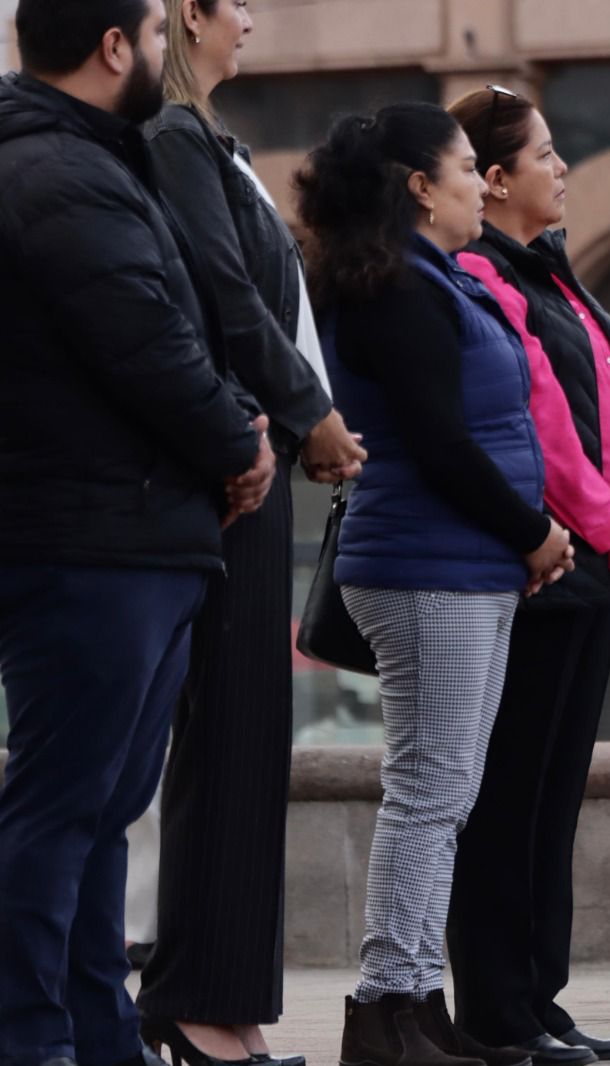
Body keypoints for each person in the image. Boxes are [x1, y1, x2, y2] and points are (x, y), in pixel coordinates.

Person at [0, 0, 273, 1062]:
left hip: (134, 528)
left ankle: (97, 1033)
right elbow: (146, 335)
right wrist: (237, 441)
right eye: (158, 35)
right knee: (61, 809)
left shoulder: (89, 159)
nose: (167, 55)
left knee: (101, 811)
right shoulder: (56, 172)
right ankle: (33, 1039)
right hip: (90, 535)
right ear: (114, 46)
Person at [295, 102, 574, 1066]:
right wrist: (535, 533)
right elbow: (441, 444)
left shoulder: (431, 278)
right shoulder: (396, 287)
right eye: (466, 167)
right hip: (428, 566)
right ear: (421, 186)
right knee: (429, 793)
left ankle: (415, 1001)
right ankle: (387, 1006)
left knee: (443, 792)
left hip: (462, 566)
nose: (478, 184)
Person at [135, 1, 368, 1061]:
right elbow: (228, 299)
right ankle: (193, 1007)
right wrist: (308, 412)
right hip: (237, 459)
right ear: (191, 14)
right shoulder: (175, 138)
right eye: (242, 4)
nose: (258, 19)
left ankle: (225, 1003)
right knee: (225, 734)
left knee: (246, 738)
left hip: (260, 456)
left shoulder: (214, 142)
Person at [443, 85, 610, 1064]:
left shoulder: (556, 273)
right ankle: (497, 1010)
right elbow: (543, 432)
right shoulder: (483, 275)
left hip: (600, 561)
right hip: (543, 566)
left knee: (556, 794)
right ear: (494, 180)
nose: (562, 167)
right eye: (544, 154)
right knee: (509, 799)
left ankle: (541, 997)